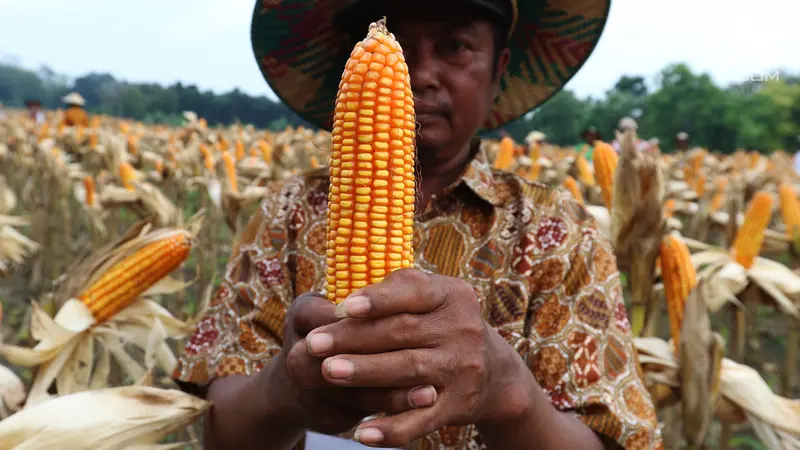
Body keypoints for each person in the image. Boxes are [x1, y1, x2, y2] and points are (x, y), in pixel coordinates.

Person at [173, 1, 661, 450]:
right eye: (401, 49)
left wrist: (509, 392)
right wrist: (280, 392)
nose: (421, 74)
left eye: (455, 46)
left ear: (499, 71)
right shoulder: (285, 215)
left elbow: (609, 436)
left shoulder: (560, 233)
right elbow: (219, 429)